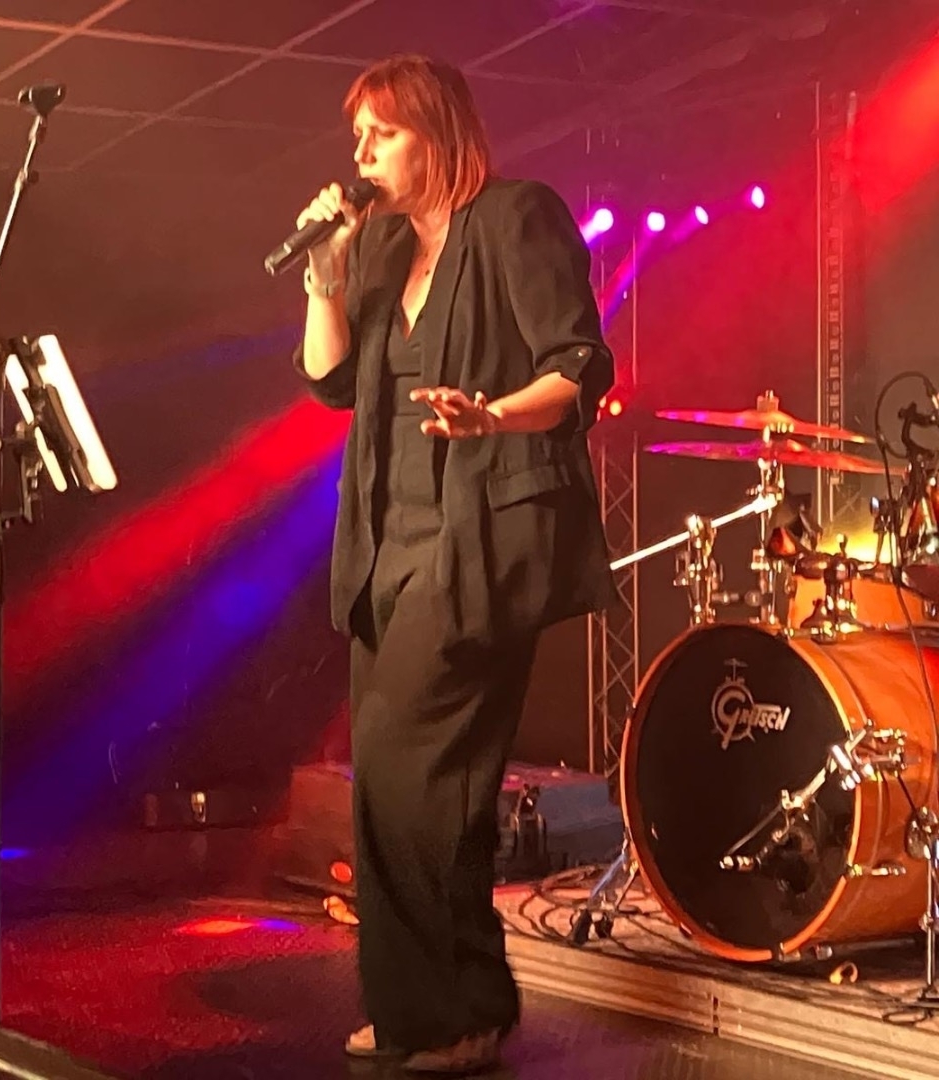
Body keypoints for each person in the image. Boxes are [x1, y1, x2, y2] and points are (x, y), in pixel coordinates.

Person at [292, 56, 615, 1072]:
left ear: (435, 132)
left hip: (476, 544)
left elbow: (577, 367)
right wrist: (324, 277)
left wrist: (493, 416)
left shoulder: (516, 216)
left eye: (381, 134)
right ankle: (420, 1009)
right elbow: (330, 379)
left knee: (415, 777)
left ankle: (458, 1012)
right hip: (384, 547)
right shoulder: (383, 248)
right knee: (386, 789)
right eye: (357, 138)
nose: (362, 155)